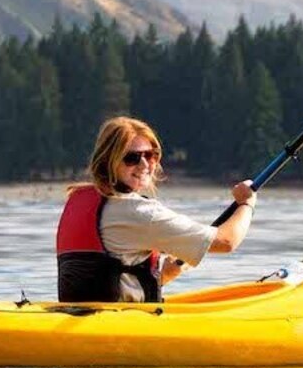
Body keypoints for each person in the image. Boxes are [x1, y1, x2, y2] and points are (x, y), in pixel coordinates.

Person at [56, 116, 256, 303]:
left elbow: (112, 276)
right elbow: (226, 241)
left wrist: (172, 268)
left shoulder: (79, 199)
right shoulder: (137, 212)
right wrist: (246, 203)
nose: (144, 164)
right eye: (131, 158)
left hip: (82, 317)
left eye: (151, 155)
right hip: (122, 324)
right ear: (109, 161)